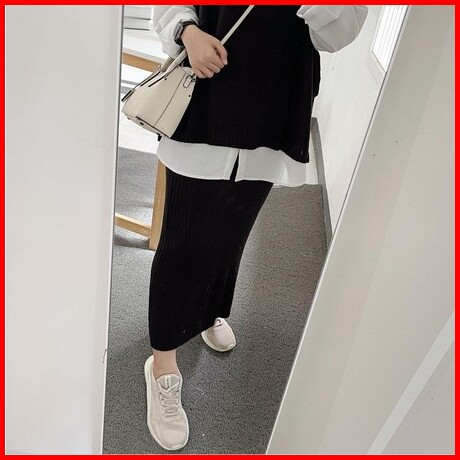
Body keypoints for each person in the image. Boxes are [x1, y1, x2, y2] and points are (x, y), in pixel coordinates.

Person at [143, 5, 368, 451]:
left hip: (273, 107)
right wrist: (186, 31)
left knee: (231, 237)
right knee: (184, 243)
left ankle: (207, 313)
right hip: (205, 97)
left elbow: (337, 34)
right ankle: (162, 365)